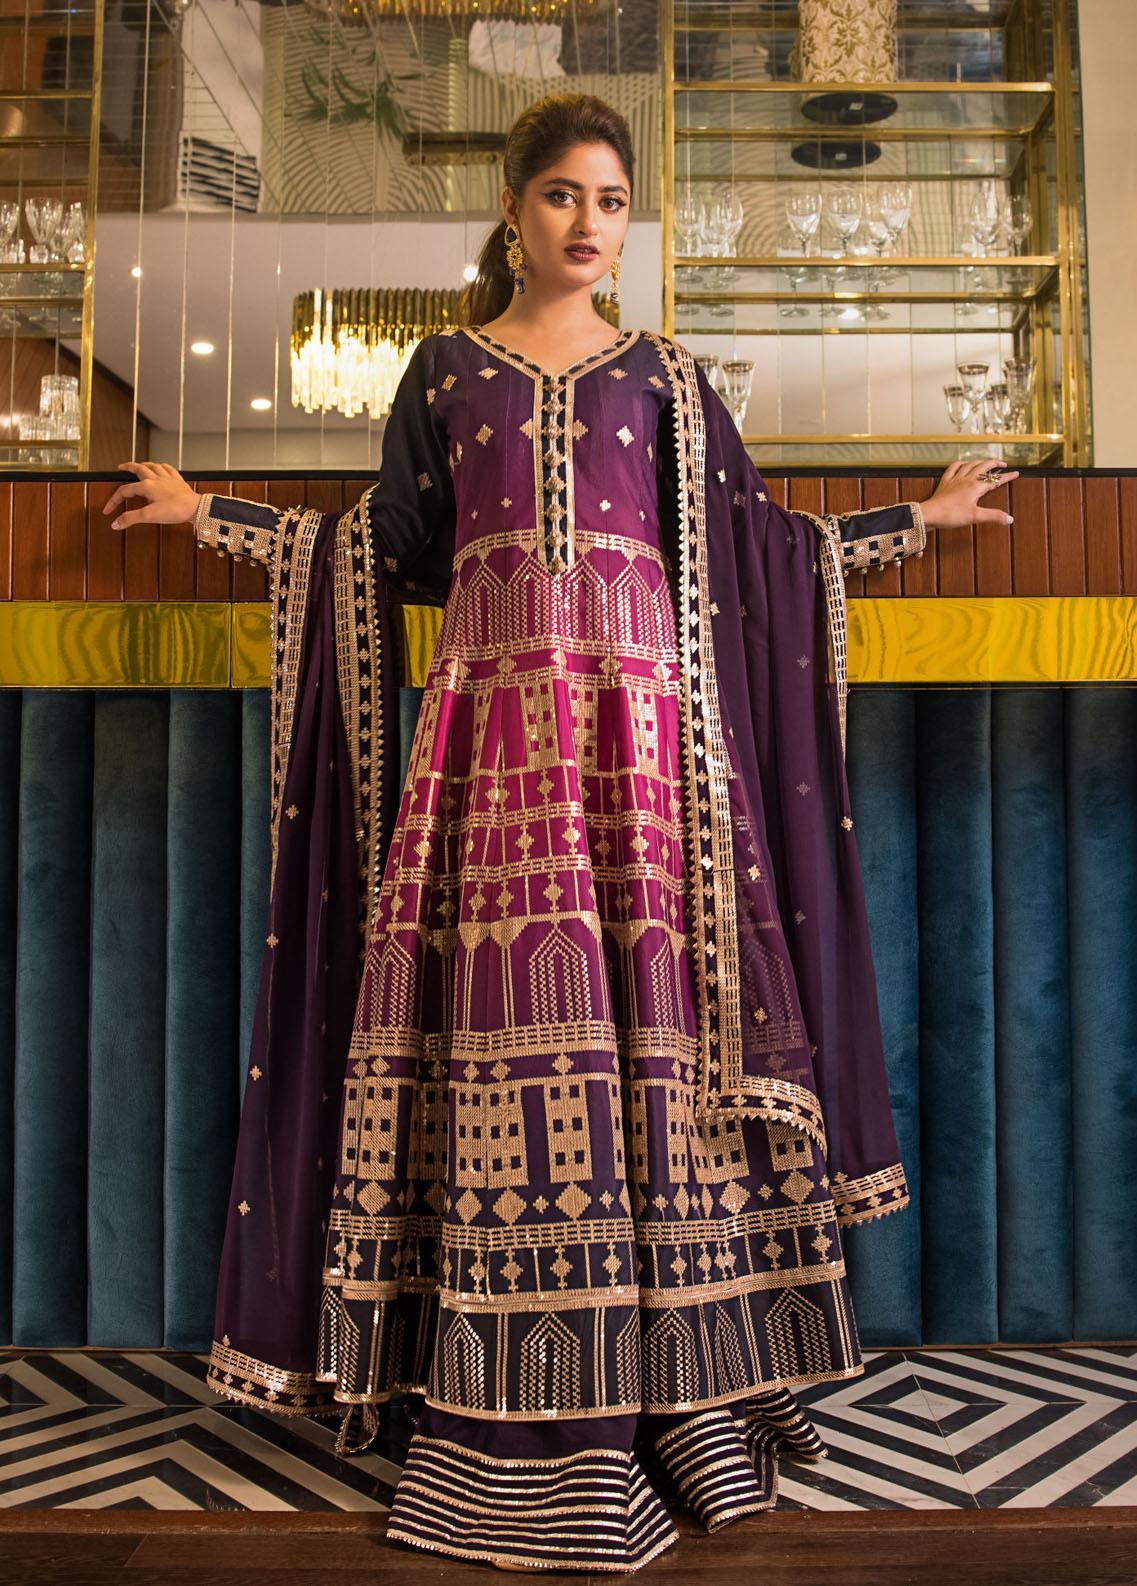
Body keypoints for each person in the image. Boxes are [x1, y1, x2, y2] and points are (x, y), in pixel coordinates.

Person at [103, 91, 1017, 1575]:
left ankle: (687, 1393)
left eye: (610, 200)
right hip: (490, 765)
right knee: (504, 1052)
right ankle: (512, 1401)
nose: (587, 223)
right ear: (513, 210)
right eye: (560, 195)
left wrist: (910, 524)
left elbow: (758, 552)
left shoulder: (666, 378)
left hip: (646, 769)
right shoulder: (447, 371)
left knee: (657, 1050)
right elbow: (379, 553)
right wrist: (217, 513)